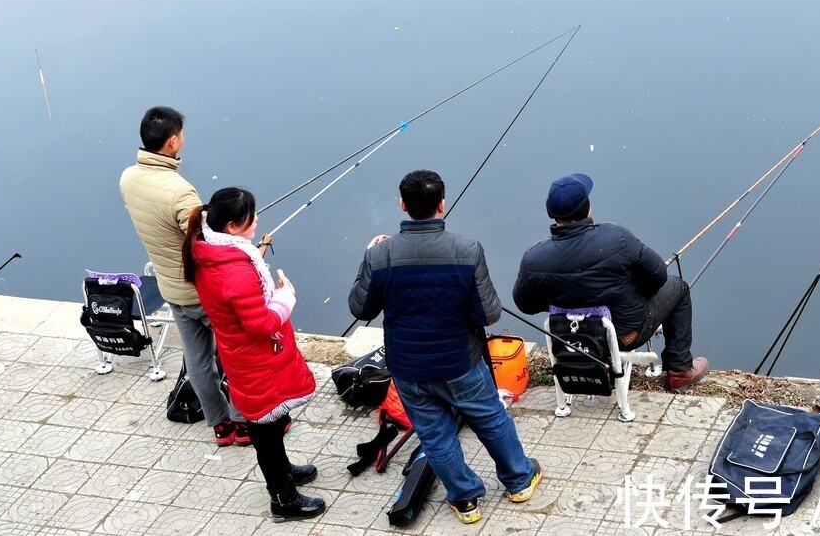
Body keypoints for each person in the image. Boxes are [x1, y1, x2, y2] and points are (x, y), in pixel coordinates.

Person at [349, 169, 541, 526]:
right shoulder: (467, 250)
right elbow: (490, 314)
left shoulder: (380, 255)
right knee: (491, 419)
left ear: (403, 205)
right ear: (442, 203)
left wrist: (367, 258)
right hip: (460, 362)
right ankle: (519, 481)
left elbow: (361, 309)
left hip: (409, 368)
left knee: (435, 433)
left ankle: (465, 500)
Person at [183, 187, 325, 521]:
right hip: (255, 358)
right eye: (251, 217)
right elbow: (260, 325)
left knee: (272, 424)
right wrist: (285, 298)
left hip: (243, 354)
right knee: (266, 431)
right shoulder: (233, 269)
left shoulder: (210, 252)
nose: (256, 221)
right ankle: (283, 499)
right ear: (232, 227)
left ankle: (285, 472)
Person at [513, 173, 708, 391]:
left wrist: (563, 300)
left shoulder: (533, 258)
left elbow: (525, 305)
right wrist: (639, 292)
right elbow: (658, 275)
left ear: (551, 213)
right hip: (625, 335)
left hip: (571, 338)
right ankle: (679, 370)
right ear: (588, 207)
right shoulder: (617, 237)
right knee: (678, 287)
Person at [119, 106, 244, 445]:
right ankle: (244, 423)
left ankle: (221, 426)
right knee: (233, 354)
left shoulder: (128, 177)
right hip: (201, 291)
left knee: (198, 361)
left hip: (171, 288)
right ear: (173, 141)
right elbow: (204, 245)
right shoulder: (180, 192)